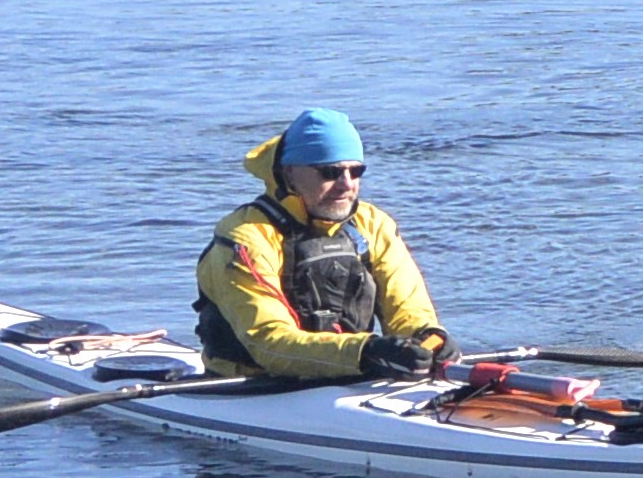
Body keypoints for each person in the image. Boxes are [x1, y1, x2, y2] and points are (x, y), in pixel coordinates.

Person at [194, 108, 452, 381]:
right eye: (330, 172)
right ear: (290, 173)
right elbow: (268, 342)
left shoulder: (373, 224)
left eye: (356, 171)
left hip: (353, 371)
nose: (346, 184)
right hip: (254, 385)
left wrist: (428, 338)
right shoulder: (244, 238)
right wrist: (365, 351)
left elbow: (408, 309)